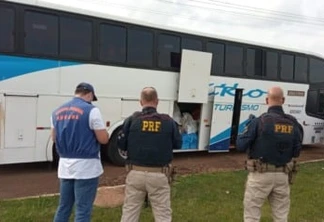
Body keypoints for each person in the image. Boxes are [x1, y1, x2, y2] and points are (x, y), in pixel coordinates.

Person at [236, 86, 303, 222]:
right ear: (283, 100)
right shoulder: (294, 123)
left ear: (267, 100)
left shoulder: (258, 122)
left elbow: (240, 145)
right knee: (281, 216)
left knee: (252, 214)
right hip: (283, 175)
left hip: (260, 175)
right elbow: (296, 152)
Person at [118, 86, 182, 222]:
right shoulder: (169, 122)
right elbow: (178, 144)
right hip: (159, 174)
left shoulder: (131, 120)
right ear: (157, 101)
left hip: (135, 173)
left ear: (141, 102)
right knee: (162, 214)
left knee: (129, 212)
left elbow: (121, 145)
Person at [51, 82, 109, 222]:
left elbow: (54, 137)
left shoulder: (56, 112)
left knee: (64, 207)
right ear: (89, 94)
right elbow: (103, 139)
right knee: (83, 209)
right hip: (86, 167)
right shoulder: (91, 110)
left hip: (65, 165)